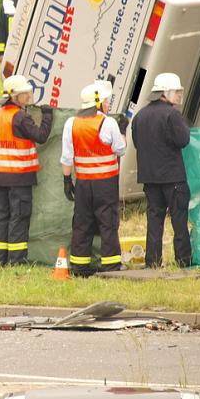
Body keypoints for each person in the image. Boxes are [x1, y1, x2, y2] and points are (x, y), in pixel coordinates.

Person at [61, 80, 127, 276]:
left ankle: (80, 267)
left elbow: (67, 156)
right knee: (108, 222)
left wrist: (67, 181)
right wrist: (122, 133)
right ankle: (111, 266)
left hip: (82, 184)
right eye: (106, 101)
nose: (108, 105)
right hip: (105, 183)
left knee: (82, 223)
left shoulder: (71, 123)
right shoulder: (108, 123)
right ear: (98, 103)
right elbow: (120, 150)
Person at [0, 75, 53, 265]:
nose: (28, 96)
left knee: (2, 219)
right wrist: (48, 116)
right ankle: (16, 260)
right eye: (25, 93)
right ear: (15, 96)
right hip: (19, 178)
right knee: (19, 218)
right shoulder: (20, 117)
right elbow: (41, 136)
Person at [132, 73, 192, 268]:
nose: (178, 96)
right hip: (173, 177)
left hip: (150, 178)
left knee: (154, 221)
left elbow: (136, 143)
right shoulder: (172, 115)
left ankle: (153, 262)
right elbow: (183, 140)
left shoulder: (140, 115)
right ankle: (183, 260)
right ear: (165, 93)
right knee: (179, 221)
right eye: (176, 92)